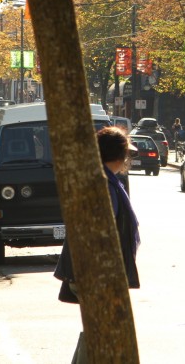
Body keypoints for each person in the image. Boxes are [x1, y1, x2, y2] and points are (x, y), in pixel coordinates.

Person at [54, 126, 140, 302]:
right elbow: (101, 232)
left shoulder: (104, 181)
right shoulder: (104, 184)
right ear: (120, 156)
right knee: (107, 326)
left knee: (101, 326)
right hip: (98, 274)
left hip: (96, 272)